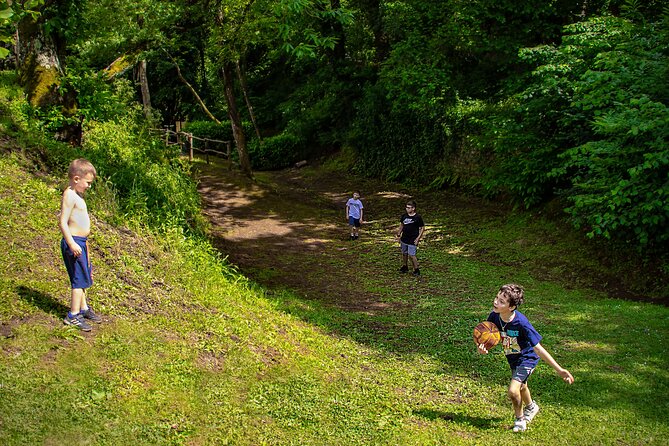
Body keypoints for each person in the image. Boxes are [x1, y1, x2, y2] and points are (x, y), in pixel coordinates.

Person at [478, 284, 574, 432]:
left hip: (528, 357)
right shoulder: (494, 316)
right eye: (497, 297)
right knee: (522, 386)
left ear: (512, 307)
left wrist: (560, 370)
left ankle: (520, 420)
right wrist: (483, 346)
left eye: (502, 301)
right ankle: (532, 407)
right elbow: (489, 336)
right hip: (513, 358)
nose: (496, 302)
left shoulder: (521, 323)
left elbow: (538, 348)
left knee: (513, 390)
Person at [59, 159, 102, 331]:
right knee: (78, 280)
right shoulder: (69, 195)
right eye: (88, 183)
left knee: (84, 275)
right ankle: (73, 315)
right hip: (74, 243)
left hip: (81, 243)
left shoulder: (77, 195)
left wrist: (84, 245)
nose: (89, 186)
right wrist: (71, 243)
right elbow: (62, 222)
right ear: (76, 179)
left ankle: (83, 308)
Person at [395, 200, 425, 276]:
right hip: (404, 238)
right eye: (406, 207)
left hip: (413, 239)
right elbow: (402, 225)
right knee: (404, 253)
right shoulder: (404, 216)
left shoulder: (417, 217)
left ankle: (416, 269)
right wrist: (398, 234)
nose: (407, 209)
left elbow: (422, 228)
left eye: (409, 208)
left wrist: (418, 238)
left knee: (412, 255)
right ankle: (405, 266)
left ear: (413, 208)